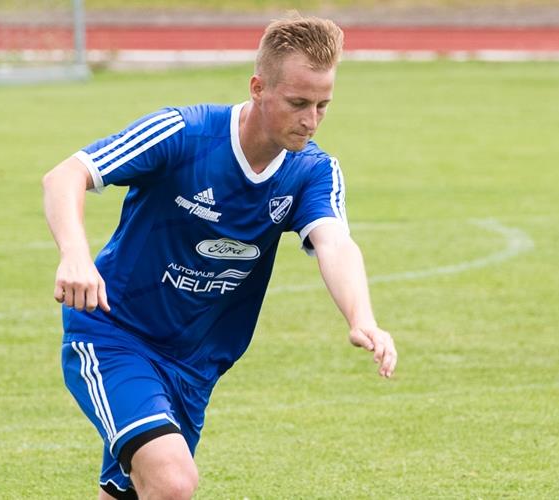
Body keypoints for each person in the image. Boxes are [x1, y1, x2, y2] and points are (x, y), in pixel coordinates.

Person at [43, 13, 397, 500]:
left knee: (133, 492)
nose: (310, 120)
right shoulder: (183, 134)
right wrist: (75, 256)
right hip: (114, 333)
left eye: (322, 105)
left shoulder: (312, 171)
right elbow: (65, 175)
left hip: (195, 366)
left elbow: (335, 240)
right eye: (297, 103)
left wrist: (362, 317)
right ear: (257, 87)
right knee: (172, 482)